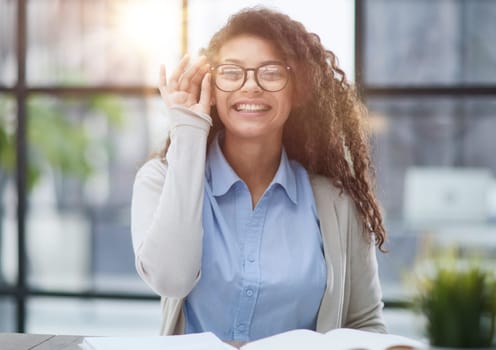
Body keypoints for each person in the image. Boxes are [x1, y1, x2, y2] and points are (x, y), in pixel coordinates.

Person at [131, 7, 387, 342]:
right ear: (211, 87)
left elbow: (365, 323)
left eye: (270, 72)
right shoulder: (160, 181)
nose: (250, 86)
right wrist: (188, 127)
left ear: (297, 90)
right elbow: (171, 280)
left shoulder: (337, 202)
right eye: (231, 72)